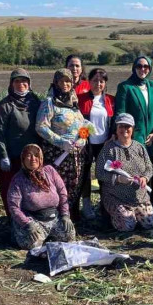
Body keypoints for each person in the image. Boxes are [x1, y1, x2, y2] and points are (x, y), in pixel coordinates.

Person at [114, 55, 153, 210]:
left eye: (146, 66)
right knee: (136, 174)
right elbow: (120, 114)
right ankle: (136, 205)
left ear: (150, 69)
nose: (142, 69)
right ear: (134, 67)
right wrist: (126, 136)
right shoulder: (125, 87)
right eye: (139, 66)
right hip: (134, 141)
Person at [36, 68, 89, 222]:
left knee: (73, 186)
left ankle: (70, 217)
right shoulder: (49, 102)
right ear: (56, 82)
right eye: (62, 81)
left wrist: (83, 139)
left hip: (75, 155)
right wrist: (61, 142)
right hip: (57, 154)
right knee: (57, 186)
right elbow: (41, 126)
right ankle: (56, 218)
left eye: (68, 81)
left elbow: (83, 125)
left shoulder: (74, 102)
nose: (65, 84)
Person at [0, 68, 42, 219]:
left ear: (29, 83)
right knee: (12, 190)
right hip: (13, 156)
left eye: (24, 81)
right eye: (17, 81)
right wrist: (3, 156)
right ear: (11, 83)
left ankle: (33, 217)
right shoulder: (6, 105)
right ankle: (15, 219)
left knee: (33, 190)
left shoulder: (35, 102)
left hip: (33, 157)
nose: (21, 84)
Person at [6, 144, 76, 249]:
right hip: (33, 220)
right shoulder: (18, 179)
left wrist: (65, 215)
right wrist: (27, 224)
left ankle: (49, 237)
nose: (33, 159)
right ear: (23, 159)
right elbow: (13, 206)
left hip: (53, 217)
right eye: (29, 156)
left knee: (69, 236)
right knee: (32, 244)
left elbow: (62, 193)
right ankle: (19, 233)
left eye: (36, 155)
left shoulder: (49, 171)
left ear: (41, 157)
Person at [95, 114, 153, 231]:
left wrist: (145, 178)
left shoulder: (139, 147)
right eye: (121, 126)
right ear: (116, 129)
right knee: (127, 226)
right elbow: (99, 172)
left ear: (132, 129)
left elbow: (149, 167)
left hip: (139, 197)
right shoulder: (109, 149)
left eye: (127, 126)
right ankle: (116, 216)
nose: (124, 129)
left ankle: (134, 214)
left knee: (150, 224)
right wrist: (117, 179)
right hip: (116, 197)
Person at [77, 68, 115, 220]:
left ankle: (104, 204)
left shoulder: (111, 100)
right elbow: (79, 123)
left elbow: (113, 122)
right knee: (85, 174)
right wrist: (83, 138)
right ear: (89, 82)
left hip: (104, 144)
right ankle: (86, 205)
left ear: (105, 83)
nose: (98, 84)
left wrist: (111, 138)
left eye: (101, 81)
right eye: (94, 81)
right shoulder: (81, 99)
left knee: (103, 174)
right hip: (87, 143)